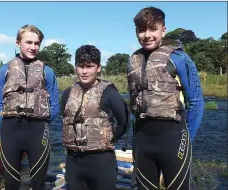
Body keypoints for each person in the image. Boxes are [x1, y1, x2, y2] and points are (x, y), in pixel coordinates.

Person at [127, 7, 205, 190]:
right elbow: (134, 103)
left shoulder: (179, 58)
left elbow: (196, 102)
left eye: (152, 29)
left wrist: (187, 139)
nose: (146, 35)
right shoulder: (133, 60)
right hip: (142, 141)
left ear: (164, 29)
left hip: (173, 140)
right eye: (141, 30)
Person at [0, 24, 60, 190]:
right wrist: (8, 120)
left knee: (38, 181)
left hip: (38, 130)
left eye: (37, 43)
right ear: (18, 43)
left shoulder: (48, 72)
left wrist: (43, 121)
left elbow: (55, 105)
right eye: (28, 42)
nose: (33, 47)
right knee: (11, 181)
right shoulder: (4, 70)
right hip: (11, 129)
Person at [60, 45, 129, 190]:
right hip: (74, 161)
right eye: (81, 66)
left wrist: (110, 139)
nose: (85, 71)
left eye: (90, 66)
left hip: (101, 162)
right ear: (76, 67)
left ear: (98, 68)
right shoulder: (68, 93)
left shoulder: (109, 93)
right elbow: (64, 118)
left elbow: (124, 121)